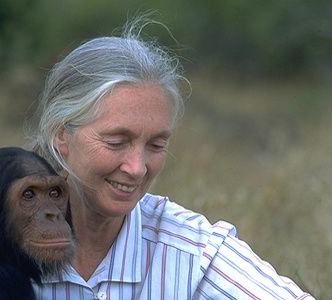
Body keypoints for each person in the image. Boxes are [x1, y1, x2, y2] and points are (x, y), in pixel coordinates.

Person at [25, 16, 315, 300]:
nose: (137, 168)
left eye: (156, 145)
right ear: (61, 134)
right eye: (116, 142)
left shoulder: (192, 251)